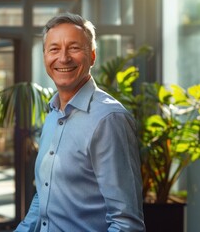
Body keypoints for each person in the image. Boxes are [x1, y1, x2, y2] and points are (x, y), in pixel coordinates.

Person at [15, 13, 145, 232]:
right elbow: (45, 196)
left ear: (92, 56)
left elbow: (125, 223)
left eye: (74, 48)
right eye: (54, 49)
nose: (63, 58)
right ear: (45, 56)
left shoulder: (108, 119)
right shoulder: (53, 113)